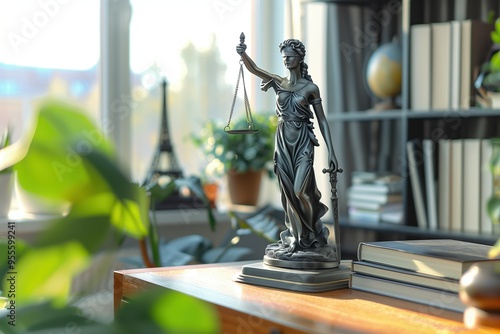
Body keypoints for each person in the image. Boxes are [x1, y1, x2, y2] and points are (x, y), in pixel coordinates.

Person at [236, 37, 340, 268]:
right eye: (283, 56)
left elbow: (322, 121)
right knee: (288, 192)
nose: (286, 60)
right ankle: (297, 238)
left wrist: (331, 152)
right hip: (282, 141)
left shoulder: (311, 88)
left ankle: (312, 233)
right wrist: (243, 54)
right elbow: (255, 70)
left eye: (290, 56)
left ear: (300, 58)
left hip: (302, 141)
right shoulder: (278, 81)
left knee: (301, 189)